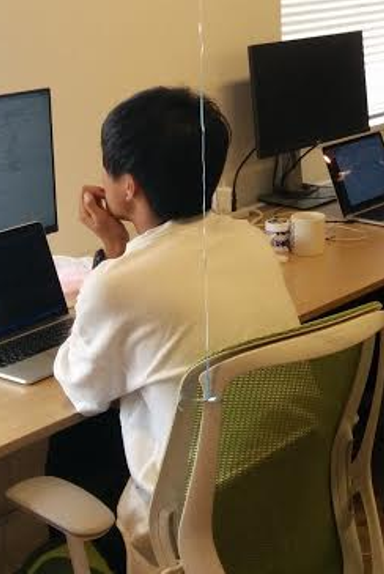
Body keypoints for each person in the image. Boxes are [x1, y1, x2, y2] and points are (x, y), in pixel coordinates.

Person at [51, 87, 299, 572]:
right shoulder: (250, 241)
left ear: (128, 187)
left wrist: (108, 267)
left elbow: (82, 390)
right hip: (272, 485)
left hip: (183, 522)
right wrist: (118, 249)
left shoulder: (117, 284)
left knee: (73, 448)